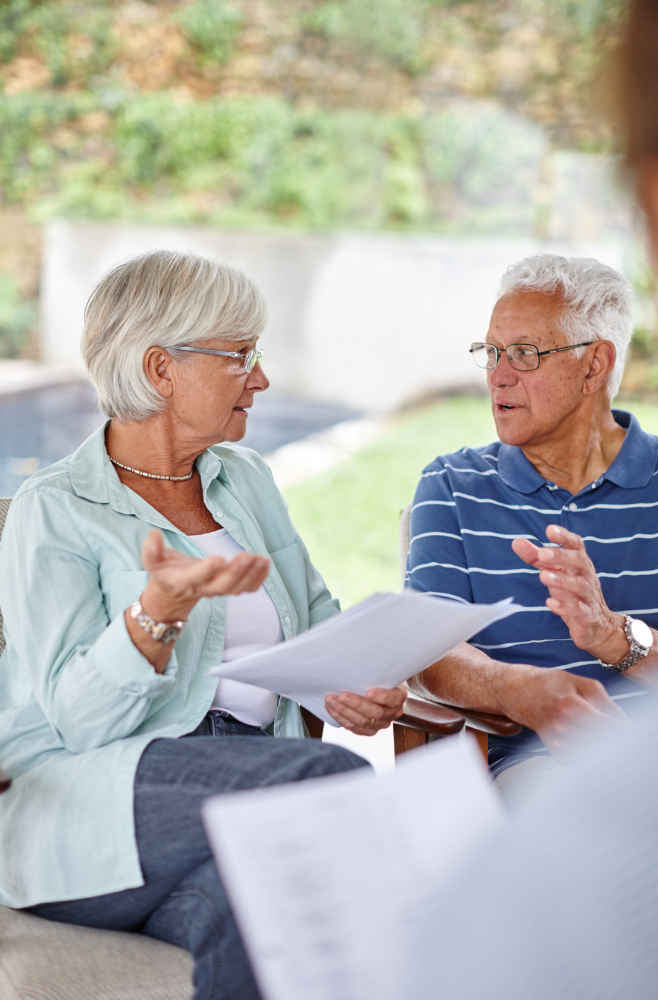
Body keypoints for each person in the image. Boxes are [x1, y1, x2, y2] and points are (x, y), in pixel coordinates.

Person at [0, 249, 406, 1000]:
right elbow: (75, 720)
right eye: (241, 355)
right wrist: (154, 616)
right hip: (97, 793)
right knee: (336, 782)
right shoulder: (53, 510)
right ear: (160, 369)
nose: (262, 377)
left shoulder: (246, 481)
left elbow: (314, 618)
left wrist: (344, 687)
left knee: (256, 911)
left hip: (246, 776)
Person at [406, 252, 658, 790]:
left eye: (523, 354)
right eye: (492, 352)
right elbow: (427, 650)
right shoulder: (451, 486)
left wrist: (615, 636)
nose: (497, 376)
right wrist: (515, 687)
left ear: (594, 365)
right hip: (541, 770)